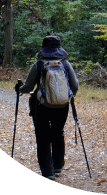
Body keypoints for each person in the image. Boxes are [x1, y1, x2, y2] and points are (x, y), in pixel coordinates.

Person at [15, 35, 79, 180]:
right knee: (58, 132)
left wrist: (20, 89)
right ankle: (57, 166)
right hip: (62, 105)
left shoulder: (38, 65)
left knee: (42, 137)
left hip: (41, 105)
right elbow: (75, 85)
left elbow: (28, 87)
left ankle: (47, 172)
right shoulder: (66, 64)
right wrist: (68, 96)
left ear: (44, 48)